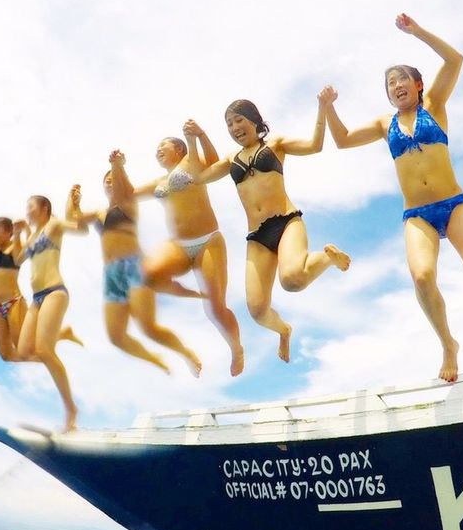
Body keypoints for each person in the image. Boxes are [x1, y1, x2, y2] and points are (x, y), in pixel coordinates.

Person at [321, 13, 463, 385]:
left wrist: (417, 32)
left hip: (453, 205)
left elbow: (455, 60)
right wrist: (327, 107)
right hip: (417, 214)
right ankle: (448, 344)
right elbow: (341, 140)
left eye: (402, 79)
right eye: (390, 83)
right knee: (421, 277)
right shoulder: (383, 125)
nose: (396, 85)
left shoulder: (434, 105)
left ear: (417, 85)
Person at [192, 92, 351, 363]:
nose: (234, 127)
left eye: (238, 120)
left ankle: (328, 258)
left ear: (254, 120)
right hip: (258, 237)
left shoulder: (276, 145)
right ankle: (284, 330)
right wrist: (196, 137)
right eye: (229, 124)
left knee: (292, 280)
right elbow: (199, 177)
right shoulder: (231, 160)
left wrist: (323, 107)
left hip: (286, 222)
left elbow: (314, 145)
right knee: (256, 310)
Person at [67, 151, 202, 376]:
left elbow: (123, 187)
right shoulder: (100, 213)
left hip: (134, 267)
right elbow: (74, 220)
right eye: (107, 181)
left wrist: (117, 165)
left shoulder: (128, 203)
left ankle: (185, 352)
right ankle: (155, 359)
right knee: (116, 336)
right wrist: (73, 201)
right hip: (111, 274)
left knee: (148, 327)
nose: (110, 182)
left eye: (114, 180)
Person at [133, 129, 246, 376]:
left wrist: (200, 135)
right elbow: (128, 195)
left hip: (208, 242)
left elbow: (214, 161)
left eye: (163, 146)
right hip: (180, 247)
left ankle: (236, 349)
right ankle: (190, 293)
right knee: (146, 274)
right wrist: (117, 168)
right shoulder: (158, 182)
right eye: (156, 149)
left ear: (179, 149)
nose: (158, 150)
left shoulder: (190, 160)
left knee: (215, 310)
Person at [14, 195, 82, 431]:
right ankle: (62, 334)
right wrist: (18, 234)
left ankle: (71, 409)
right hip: (37, 298)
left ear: (44, 208)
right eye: (26, 207)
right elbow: (18, 259)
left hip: (54, 292)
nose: (27, 211)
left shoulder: (53, 224)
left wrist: (74, 207)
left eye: (30, 206)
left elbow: (78, 228)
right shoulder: (32, 236)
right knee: (24, 352)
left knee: (44, 351)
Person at [0, 210, 79, 363]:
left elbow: (33, 241)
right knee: (6, 355)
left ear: (8, 233)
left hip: (13, 302)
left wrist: (25, 229)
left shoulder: (16, 247)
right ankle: (53, 345)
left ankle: (55, 343)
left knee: (23, 347)